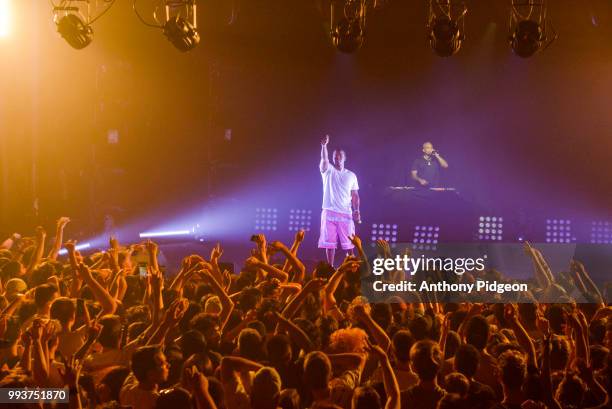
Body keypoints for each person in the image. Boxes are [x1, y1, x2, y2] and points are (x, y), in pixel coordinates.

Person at [318, 135, 361, 266]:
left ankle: (352, 269)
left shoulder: (351, 175)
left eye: (339, 156)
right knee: (330, 245)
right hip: (329, 212)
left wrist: (357, 210)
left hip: (345, 213)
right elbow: (324, 159)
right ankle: (330, 269)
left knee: (349, 245)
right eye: (335, 156)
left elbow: (355, 195)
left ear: (344, 158)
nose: (337, 158)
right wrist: (324, 146)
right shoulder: (327, 170)